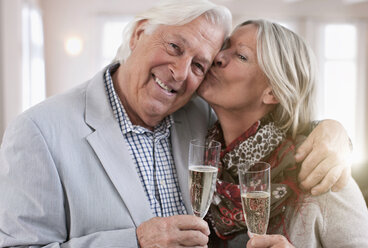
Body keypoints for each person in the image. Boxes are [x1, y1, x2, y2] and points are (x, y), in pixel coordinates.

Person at [0, 0, 353, 247]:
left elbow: (276, 128)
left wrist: (334, 132)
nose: (182, 73)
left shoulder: (200, 115)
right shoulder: (38, 132)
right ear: (139, 34)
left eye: (200, 63)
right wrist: (133, 242)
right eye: (174, 46)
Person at [196, 19, 368, 247]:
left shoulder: (320, 171)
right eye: (226, 46)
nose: (218, 56)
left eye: (241, 56)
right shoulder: (200, 162)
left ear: (272, 92)